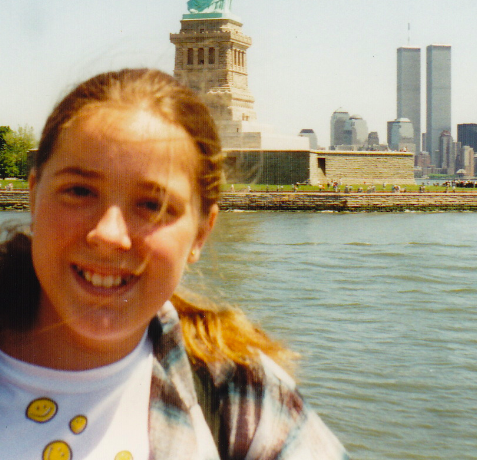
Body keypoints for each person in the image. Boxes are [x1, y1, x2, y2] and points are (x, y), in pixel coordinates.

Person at [0, 68, 349, 459]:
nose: (109, 234)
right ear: (32, 196)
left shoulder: (242, 400)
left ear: (201, 233)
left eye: (153, 205)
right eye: (79, 191)